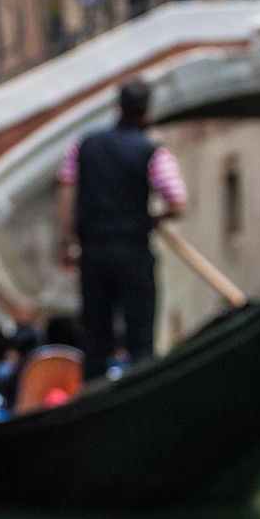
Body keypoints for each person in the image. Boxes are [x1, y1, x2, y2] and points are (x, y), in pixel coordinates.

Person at [57, 78, 188, 381]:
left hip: (93, 252)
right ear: (147, 112)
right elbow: (178, 202)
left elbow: (66, 191)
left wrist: (67, 242)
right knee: (140, 339)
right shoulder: (151, 151)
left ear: (118, 108)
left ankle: (94, 396)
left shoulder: (83, 145)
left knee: (96, 338)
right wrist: (155, 218)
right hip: (133, 250)